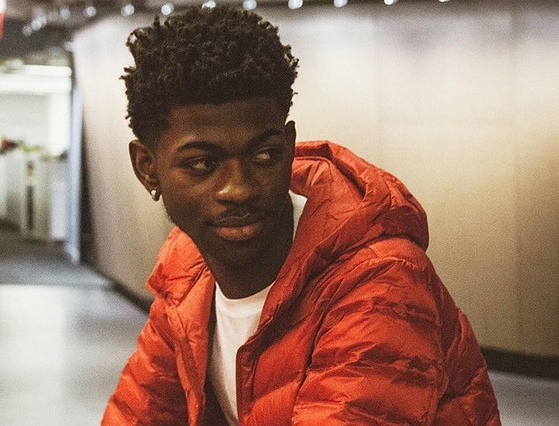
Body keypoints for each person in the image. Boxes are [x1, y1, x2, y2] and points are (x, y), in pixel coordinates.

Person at [103, 5, 500, 425]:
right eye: (203, 164)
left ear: (289, 146)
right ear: (147, 168)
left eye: (264, 155)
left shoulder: (380, 281)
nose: (239, 189)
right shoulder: (187, 269)